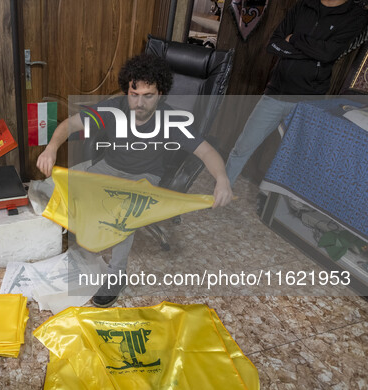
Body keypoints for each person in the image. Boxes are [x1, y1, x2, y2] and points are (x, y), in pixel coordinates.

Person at [36, 53, 233, 307]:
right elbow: (70, 125)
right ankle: (79, 240)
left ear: (160, 94)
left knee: (123, 214)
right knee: (47, 187)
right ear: (127, 90)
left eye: (148, 95)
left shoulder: (172, 120)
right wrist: (51, 148)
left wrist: (222, 179)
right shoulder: (113, 107)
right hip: (108, 168)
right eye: (134, 94)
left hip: (143, 178)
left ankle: (117, 275)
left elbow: (207, 151)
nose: (139, 103)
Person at [225, 0, 368, 187]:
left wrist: (293, 39)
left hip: (308, 100)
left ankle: (270, 205)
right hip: (276, 92)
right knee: (241, 147)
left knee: (292, 160)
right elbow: (273, 44)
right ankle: (220, 191)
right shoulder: (303, 6)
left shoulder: (356, 15)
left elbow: (329, 54)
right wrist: (312, 52)